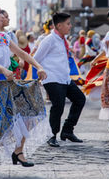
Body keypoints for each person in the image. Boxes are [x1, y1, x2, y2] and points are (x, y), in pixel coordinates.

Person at [0, 3, 49, 174]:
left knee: (29, 107)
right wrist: (1, 69)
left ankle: (18, 150)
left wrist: (38, 66)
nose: (2, 15)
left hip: (5, 81)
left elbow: (22, 54)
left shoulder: (5, 36)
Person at [34, 12, 86, 147]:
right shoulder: (49, 40)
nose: (70, 26)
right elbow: (36, 59)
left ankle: (67, 130)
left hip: (64, 78)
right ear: (59, 25)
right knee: (58, 105)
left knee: (80, 99)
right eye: (68, 24)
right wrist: (41, 72)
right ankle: (51, 135)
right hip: (52, 78)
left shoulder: (63, 39)